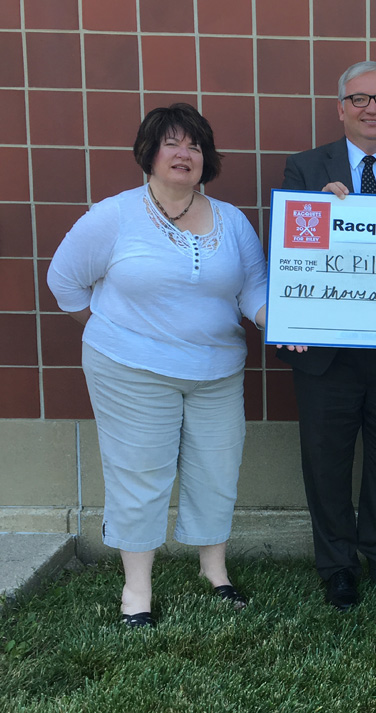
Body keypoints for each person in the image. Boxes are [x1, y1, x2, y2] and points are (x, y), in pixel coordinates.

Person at [47, 103, 267, 628]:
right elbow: (65, 281)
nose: (183, 153)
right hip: (129, 370)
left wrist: (283, 324)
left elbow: (254, 290)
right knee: (140, 475)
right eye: (171, 143)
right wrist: (115, 332)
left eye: (193, 145)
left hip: (216, 371)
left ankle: (214, 572)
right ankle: (136, 592)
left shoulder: (232, 221)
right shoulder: (115, 215)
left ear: (206, 158)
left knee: (216, 471)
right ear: (149, 153)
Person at [278, 61, 376, 611]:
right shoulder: (304, 170)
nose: (373, 108)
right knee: (325, 462)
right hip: (327, 351)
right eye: (361, 98)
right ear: (340, 107)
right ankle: (337, 567)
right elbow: (291, 251)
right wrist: (321, 209)